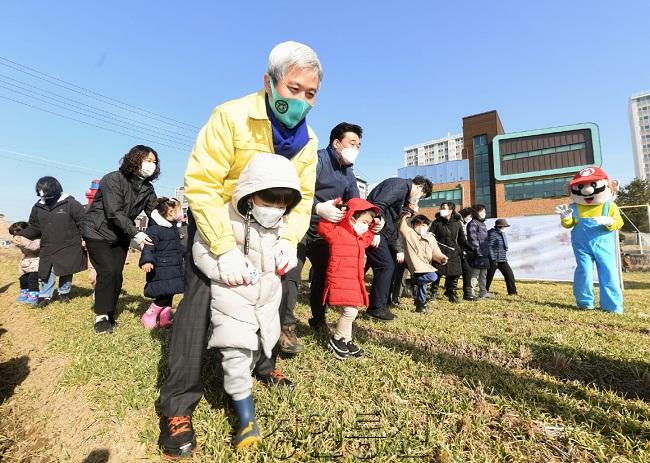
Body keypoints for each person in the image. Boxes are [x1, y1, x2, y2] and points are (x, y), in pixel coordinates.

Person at [157, 41, 322, 460]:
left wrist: (288, 241)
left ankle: (263, 365)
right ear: (269, 82)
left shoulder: (308, 140)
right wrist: (224, 248)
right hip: (220, 224)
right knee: (199, 305)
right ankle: (178, 405)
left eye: (310, 94)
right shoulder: (231, 116)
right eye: (293, 87)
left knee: (271, 299)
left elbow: (304, 195)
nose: (300, 100)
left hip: (272, 229)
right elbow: (202, 184)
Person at [192, 154, 303, 448]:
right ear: (251, 195)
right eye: (269, 202)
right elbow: (201, 251)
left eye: (282, 205)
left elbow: (286, 248)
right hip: (232, 298)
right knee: (236, 355)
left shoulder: (282, 224)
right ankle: (246, 419)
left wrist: (287, 253)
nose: (275, 210)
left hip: (266, 302)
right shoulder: (225, 218)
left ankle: (242, 383)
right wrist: (225, 268)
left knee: (256, 350)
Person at [281, 122, 365, 353]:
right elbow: (294, 192)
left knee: (325, 274)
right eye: (352, 143)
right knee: (292, 274)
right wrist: (317, 207)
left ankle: (318, 318)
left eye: (359, 145)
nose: (356, 148)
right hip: (299, 224)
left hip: (325, 231)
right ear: (337, 143)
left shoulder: (348, 172)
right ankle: (286, 326)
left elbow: (355, 203)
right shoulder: (317, 160)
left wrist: (371, 216)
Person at [80, 145, 158, 334]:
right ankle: (101, 316)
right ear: (135, 159)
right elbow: (114, 212)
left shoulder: (147, 188)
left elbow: (155, 212)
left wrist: (173, 223)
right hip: (97, 231)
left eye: (154, 162)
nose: (152, 165)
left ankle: (110, 312)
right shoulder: (113, 179)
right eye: (148, 160)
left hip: (120, 234)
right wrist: (137, 233)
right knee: (107, 270)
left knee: (116, 273)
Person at [318, 198, 380, 359]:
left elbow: (368, 236)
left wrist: (374, 227)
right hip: (339, 278)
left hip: (353, 280)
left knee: (352, 311)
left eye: (368, 223)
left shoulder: (360, 237)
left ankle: (346, 339)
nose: (366, 225)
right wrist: (336, 206)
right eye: (365, 221)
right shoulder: (338, 232)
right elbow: (324, 227)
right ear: (352, 217)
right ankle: (337, 338)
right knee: (350, 311)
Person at [365, 176, 433, 320]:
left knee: (390, 266)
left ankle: (382, 304)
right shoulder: (399, 185)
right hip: (376, 230)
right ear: (420, 187)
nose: (418, 199)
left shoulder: (403, 192)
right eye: (421, 196)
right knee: (385, 266)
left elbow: (391, 216)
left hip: (385, 233)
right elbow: (378, 205)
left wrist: (406, 212)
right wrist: (375, 231)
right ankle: (376, 308)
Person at [17, 176, 87, 308]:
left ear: (53, 188)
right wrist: (21, 235)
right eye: (39, 190)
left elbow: (83, 222)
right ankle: (45, 296)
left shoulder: (70, 204)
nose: (41, 192)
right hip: (48, 245)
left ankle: (64, 293)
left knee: (66, 269)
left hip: (68, 244)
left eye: (44, 189)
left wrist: (85, 238)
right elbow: (34, 226)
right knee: (47, 271)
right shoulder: (38, 206)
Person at [139, 197, 185, 330]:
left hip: (173, 267)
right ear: (170, 211)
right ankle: (149, 315)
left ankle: (164, 319)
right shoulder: (155, 229)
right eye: (179, 210)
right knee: (163, 295)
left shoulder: (173, 228)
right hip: (162, 267)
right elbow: (149, 246)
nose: (181, 213)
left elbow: (175, 247)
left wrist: (189, 252)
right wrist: (147, 260)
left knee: (170, 294)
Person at [399, 214, 447, 313]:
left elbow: (435, 251)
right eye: (418, 224)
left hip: (426, 264)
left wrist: (442, 258)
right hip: (415, 263)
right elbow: (403, 228)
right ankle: (411, 282)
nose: (421, 227)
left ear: (428, 226)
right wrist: (404, 218)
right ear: (413, 225)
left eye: (424, 225)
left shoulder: (430, 237)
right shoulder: (411, 234)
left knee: (423, 284)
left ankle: (420, 304)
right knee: (432, 276)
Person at [429, 201, 473, 303]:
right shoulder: (436, 223)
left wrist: (471, 248)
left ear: (451, 210)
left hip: (453, 251)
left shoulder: (457, 223)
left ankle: (452, 294)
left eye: (444, 208)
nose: (441, 210)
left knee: (455, 274)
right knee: (437, 274)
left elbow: (461, 239)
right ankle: (433, 293)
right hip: (439, 252)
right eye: (441, 208)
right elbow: (430, 237)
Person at [466, 204, 495, 299]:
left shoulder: (483, 224)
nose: (483, 213)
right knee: (475, 273)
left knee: (484, 274)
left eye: (484, 211)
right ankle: (471, 292)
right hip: (477, 253)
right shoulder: (473, 223)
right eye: (481, 211)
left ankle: (483, 292)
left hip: (485, 253)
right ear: (475, 212)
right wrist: (477, 250)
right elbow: (472, 238)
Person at [9, 221, 40, 305]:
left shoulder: (37, 238)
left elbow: (35, 247)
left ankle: (34, 294)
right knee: (23, 278)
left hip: (36, 261)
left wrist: (22, 241)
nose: (16, 236)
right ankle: (24, 292)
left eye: (18, 234)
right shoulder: (20, 240)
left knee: (32, 279)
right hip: (26, 261)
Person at [486, 219, 518, 296]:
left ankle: (512, 292)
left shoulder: (502, 233)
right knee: (489, 277)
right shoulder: (493, 234)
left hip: (502, 259)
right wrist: (492, 259)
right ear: (500, 226)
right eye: (505, 226)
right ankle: (484, 291)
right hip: (494, 260)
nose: (506, 228)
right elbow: (489, 247)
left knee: (509, 275)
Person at [458, 207, 478, 301]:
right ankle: (467, 293)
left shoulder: (462, 223)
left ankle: (450, 291)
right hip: (457, 250)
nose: (471, 219)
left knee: (457, 272)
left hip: (460, 249)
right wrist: (470, 248)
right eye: (470, 216)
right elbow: (461, 238)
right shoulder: (459, 222)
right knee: (467, 270)